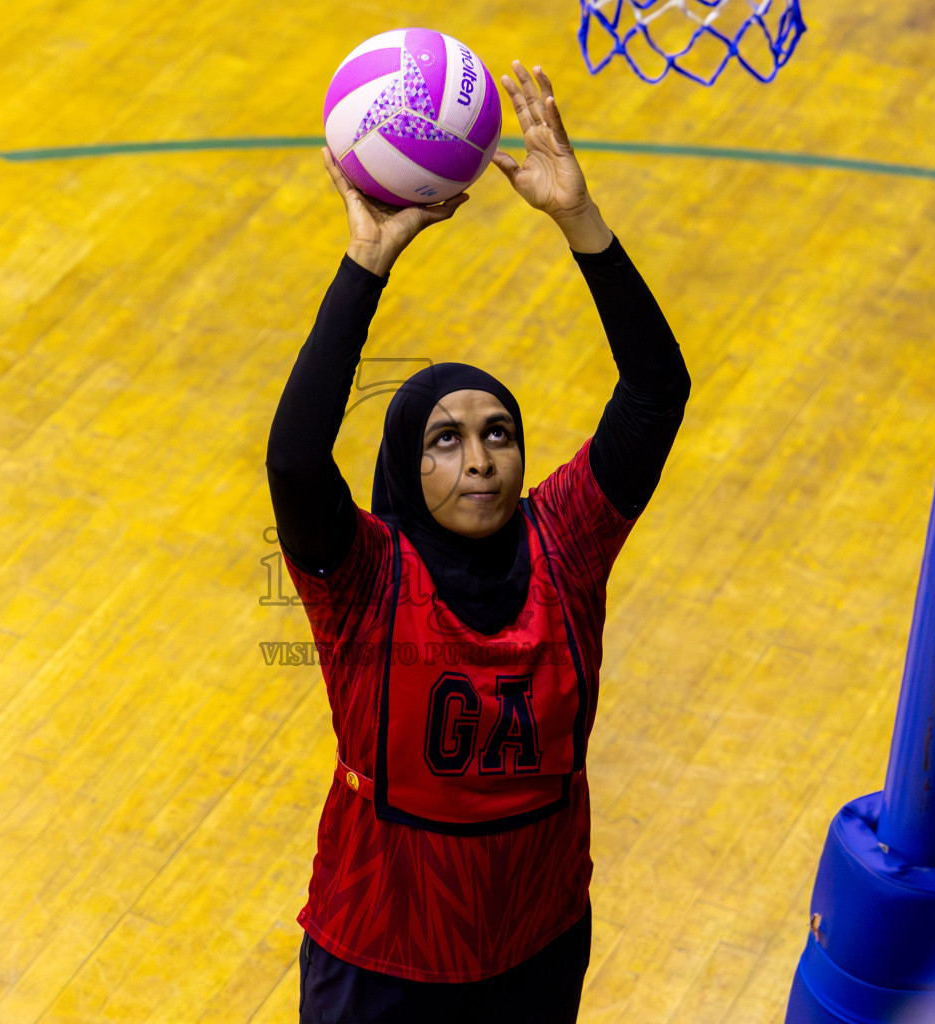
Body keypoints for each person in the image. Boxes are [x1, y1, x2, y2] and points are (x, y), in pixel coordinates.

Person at [266, 61, 691, 1023]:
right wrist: (368, 261)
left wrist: (580, 220)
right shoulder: (367, 577)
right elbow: (296, 460)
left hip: (534, 946)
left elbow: (657, 391)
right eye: (445, 440)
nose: (480, 459)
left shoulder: (568, 544)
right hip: (381, 954)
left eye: (499, 432)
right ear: (404, 472)